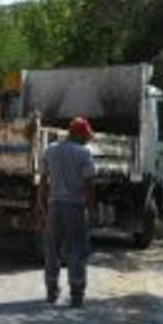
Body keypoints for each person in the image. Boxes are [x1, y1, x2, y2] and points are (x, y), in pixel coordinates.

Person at [36, 116, 97, 308]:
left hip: (54, 207)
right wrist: (92, 209)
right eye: (86, 135)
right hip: (75, 208)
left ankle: (51, 291)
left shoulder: (50, 150)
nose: (88, 139)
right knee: (76, 250)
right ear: (78, 134)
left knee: (52, 250)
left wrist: (41, 206)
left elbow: (43, 182)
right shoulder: (84, 153)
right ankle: (76, 294)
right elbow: (89, 185)